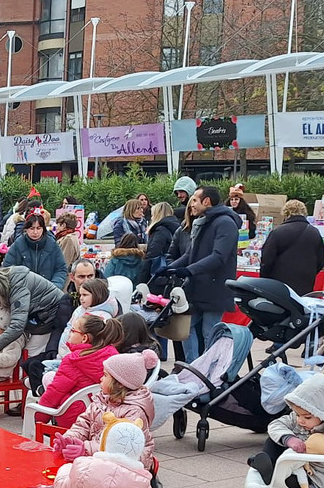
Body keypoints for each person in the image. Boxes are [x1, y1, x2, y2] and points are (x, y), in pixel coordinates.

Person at [248, 373, 324, 488]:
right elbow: (275, 425)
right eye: (297, 414)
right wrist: (289, 438)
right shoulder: (299, 419)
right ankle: (267, 464)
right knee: (275, 438)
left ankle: (270, 474)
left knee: (289, 480)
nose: (300, 420)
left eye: (307, 417)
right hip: (293, 463)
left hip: (313, 477)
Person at [168, 186, 240, 361]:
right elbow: (189, 254)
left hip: (215, 288)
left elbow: (219, 257)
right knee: (186, 329)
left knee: (210, 333)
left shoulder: (225, 223)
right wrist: (170, 269)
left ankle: (210, 372)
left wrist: (189, 270)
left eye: (195, 200)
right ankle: (193, 367)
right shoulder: (202, 222)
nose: (191, 204)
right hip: (198, 287)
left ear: (206, 201)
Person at [57, 349, 158, 469]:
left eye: (105, 375)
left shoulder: (134, 412)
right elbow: (83, 424)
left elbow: (122, 447)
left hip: (125, 470)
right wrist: (70, 439)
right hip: (98, 461)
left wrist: (86, 449)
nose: (101, 378)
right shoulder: (102, 400)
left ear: (120, 383)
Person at [34, 312, 124, 427]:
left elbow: (54, 393)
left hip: (78, 419)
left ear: (84, 338)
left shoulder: (73, 360)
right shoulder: (113, 355)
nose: (69, 333)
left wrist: (38, 418)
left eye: (73, 330)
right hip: (106, 415)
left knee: (51, 381)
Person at [0, 266, 66, 358]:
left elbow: (17, 324)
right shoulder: (6, 283)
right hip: (37, 317)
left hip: (50, 316)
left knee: (30, 353)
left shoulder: (18, 287)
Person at [260, 200, 324, 296]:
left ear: (286, 213)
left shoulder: (278, 232)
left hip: (279, 285)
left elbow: (267, 260)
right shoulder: (314, 232)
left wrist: (265, 279)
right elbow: (321, 262)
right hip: (305, 284)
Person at [3, 211, 68, 290]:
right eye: (32, 228)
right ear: (26, 229)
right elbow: (7, 270)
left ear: (43, 229)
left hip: (48, 292)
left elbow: (61, 269)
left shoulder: (53, 245)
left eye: (38, 228)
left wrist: (54, 287)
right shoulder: (17, 245)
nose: (35, 232)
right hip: (23, 292)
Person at [144, 202, 180, 280]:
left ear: (157, 215)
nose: (151, 218)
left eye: (152, 215)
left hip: (159, 273)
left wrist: (143, 277)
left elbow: (153, 253)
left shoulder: (160, 230)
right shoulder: (176, 227)